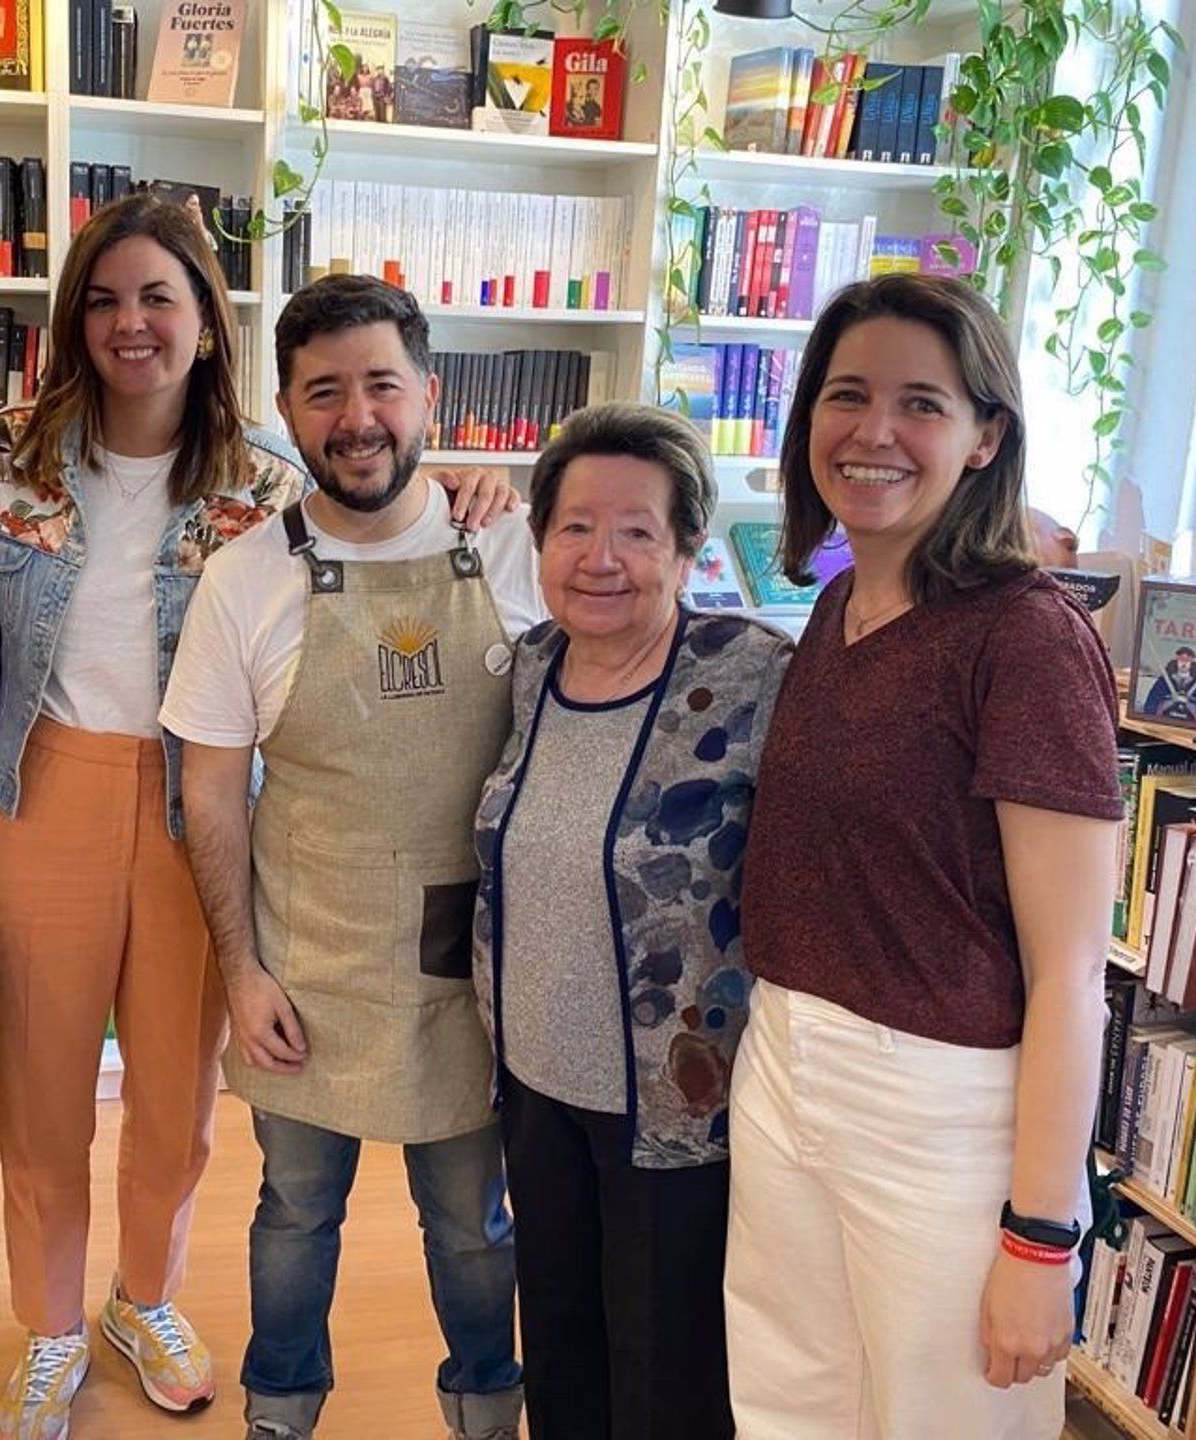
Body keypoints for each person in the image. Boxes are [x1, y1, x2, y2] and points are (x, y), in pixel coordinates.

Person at [0, 197, 511, 1440]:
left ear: (208, 323)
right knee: (42, 1088)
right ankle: (49, 1330)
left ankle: (141, 1298)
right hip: (37, 790)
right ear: (73, 322)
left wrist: (486, 484)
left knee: (176, 1093)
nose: (130, 323)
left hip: (191, 799)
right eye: (102, 301)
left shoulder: (270, 478)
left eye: (160, 297)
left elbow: (395, 511)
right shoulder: (4, 457)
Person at [723, 273, 1121, 1439]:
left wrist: (1043, 1236)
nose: (874, 433)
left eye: (922, 404)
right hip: (786, 1058)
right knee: (791, 1402)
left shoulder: (1026, 640)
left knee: (949, 1417)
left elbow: (1070, 977)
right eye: (846, 396)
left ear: (986, 436)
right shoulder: (837, 617)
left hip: (937, 1106)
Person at [164, 273, 544, 1440]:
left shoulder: (514, 545)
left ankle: (487, 1403)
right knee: (292, 1213)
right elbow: (211, 794)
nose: (358, 416)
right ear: (286, 408)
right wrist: (241, 972)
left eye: (382, 383)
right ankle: (280, 1407)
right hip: (306, 964)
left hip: (470, 975)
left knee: (471, 1222)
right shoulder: (245, 578)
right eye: (324, 391)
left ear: (430, 393)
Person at [471, 402, 790, 1439]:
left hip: (676, 1107)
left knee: (667, 1378)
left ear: (689, 546)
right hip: (535, 1087)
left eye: (637, 530)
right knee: (560, 1349)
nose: (600, 557)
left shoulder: (749, 673)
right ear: (540, 539)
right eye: (573, 527)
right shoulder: (530, 671)